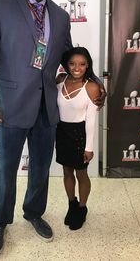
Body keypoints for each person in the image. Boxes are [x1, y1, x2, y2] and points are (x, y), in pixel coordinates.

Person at [0, 0, 106, 259]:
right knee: (6, 168)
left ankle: (33, 212)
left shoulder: (60, 16)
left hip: (48, 107)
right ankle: (0, 221)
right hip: (10, 106)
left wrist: (94, 82)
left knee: (41, 167)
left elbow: (70, 57)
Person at [56, 47, 100, 230]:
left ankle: (82, 208)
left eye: (82, 64)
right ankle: (71, 204)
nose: (76, 68)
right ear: (66, 65)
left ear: (88, 65)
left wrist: (89, 147)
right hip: (62, 132)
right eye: (72, 63)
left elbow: (91, 120)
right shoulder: (59, 81)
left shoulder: (92, 87)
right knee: (67, 171)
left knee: (81, 173)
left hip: (79, 134)